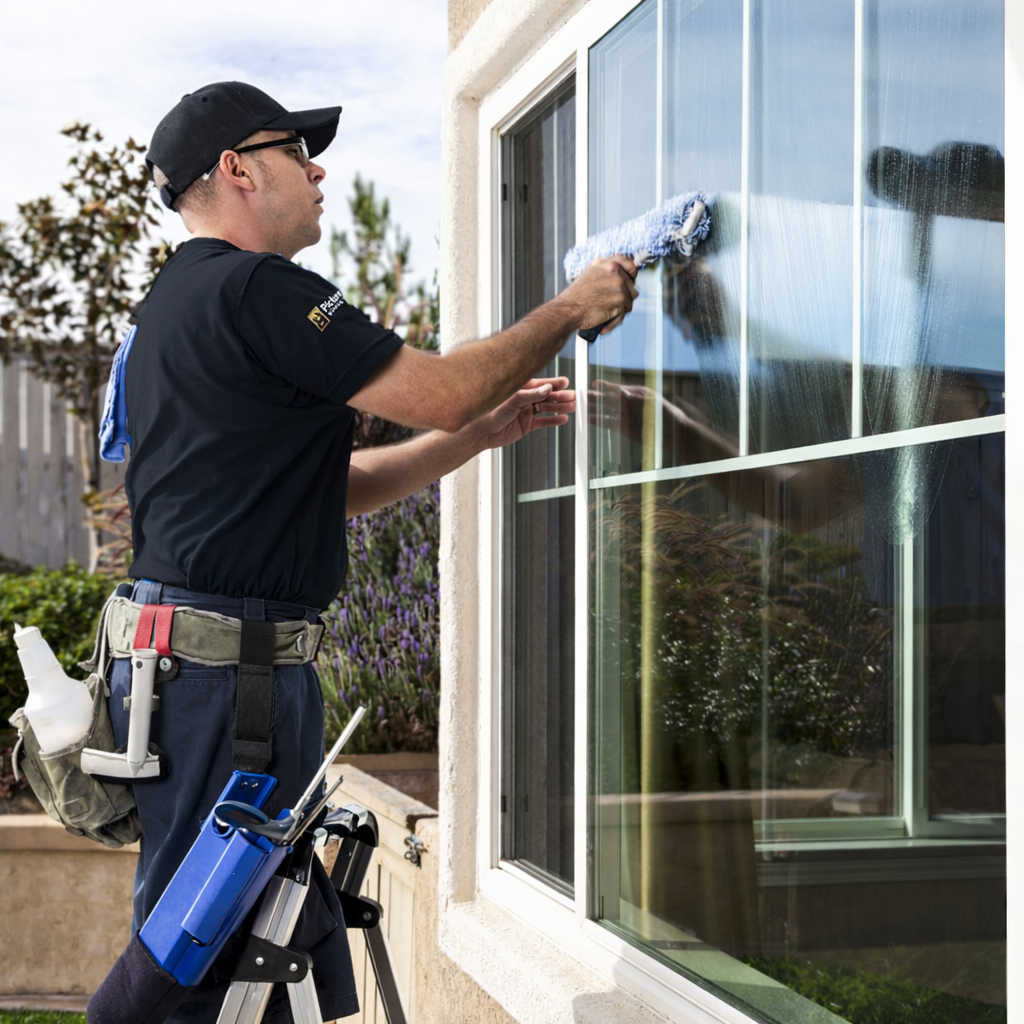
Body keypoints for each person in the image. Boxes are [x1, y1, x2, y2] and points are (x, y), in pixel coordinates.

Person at [105, 80, 637, 1024]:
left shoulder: (166, 313)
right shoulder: (258, 288)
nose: (317, 170)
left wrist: (475, 438)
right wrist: (569, 306)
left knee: (238, 928)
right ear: (236, 169)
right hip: (229, 681)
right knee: (201, 945)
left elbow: (325, 491)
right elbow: (436, 389)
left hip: (188, 671)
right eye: (292, 151)